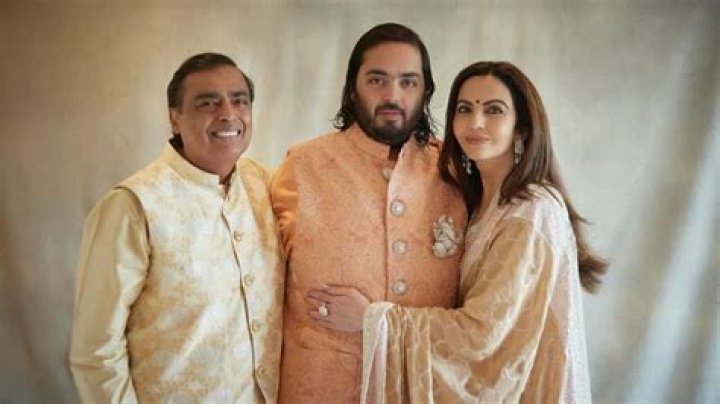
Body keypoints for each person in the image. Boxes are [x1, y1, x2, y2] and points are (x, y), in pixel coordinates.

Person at [310, 61, 608, 403]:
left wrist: (371, 318)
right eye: (464, 109)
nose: (475, 122)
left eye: (493, 110)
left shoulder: (531, 211)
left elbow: (483, 336)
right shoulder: (480, 202)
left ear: (522, 129)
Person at [69, 52, 283, 403]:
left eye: (239, 100)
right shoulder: (133, 206)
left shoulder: (266, 184)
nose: (228, 113)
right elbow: (96, 350)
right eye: (207, 103)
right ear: (175, 119)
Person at [271, 23, 467, 403]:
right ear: (352, 87)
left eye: (408, 82)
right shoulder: (304, 166)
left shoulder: (453, 172)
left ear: (426, 91)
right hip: (319, 389)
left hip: (422, 389)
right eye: (377, 80)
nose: (393, 95)